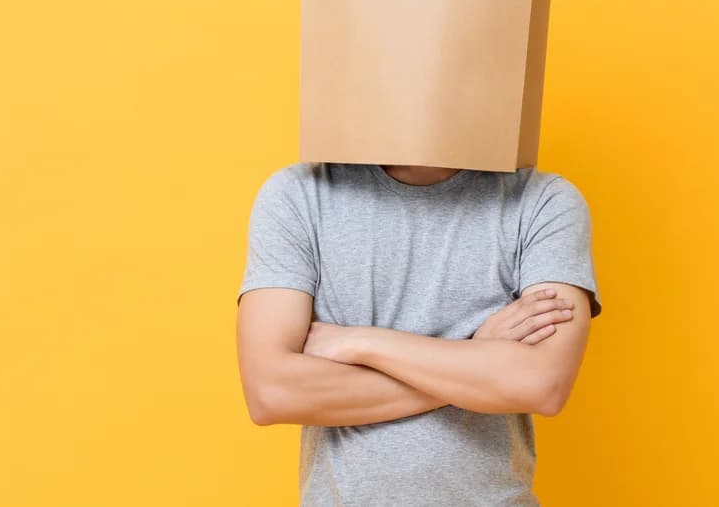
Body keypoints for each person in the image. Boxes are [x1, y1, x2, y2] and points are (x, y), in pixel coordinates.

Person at [236, 160, 601, 506]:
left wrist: (361, 343)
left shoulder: (544, 201)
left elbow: (541, 385)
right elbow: (272, 393)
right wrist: (477, 355)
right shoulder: (299, 193)